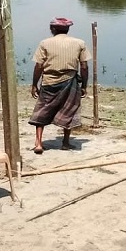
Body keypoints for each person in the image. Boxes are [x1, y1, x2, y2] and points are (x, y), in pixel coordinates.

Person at [28, 17, 91, 154]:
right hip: (70, 81)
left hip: (49, 81)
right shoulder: (79, 43)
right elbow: (84, 67)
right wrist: (84, 86)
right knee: (69, 110)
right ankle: (66, 143)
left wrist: (34, 84)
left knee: (42, 111)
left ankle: (38, 143)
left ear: (52, 29)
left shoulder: (45, 43)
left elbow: (39, 66)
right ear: (68, 29)